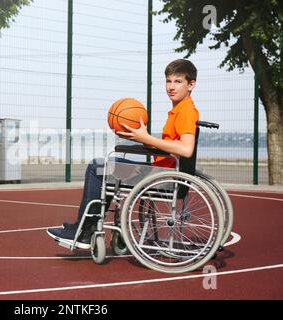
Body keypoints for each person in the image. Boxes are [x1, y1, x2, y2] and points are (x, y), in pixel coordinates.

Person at [47, 59, 200, 249]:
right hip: (162, 173)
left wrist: (146, 138)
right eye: (168, 81)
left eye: (178, 82)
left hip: (164, 178)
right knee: (107, 167)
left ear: (191, 85)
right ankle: (88, 227)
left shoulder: (185, 111)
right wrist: (140, 137)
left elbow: (186, 149)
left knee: (97, 167)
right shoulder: (179, 110)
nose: (171, 86)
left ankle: (86, 231)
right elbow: (169, 147)